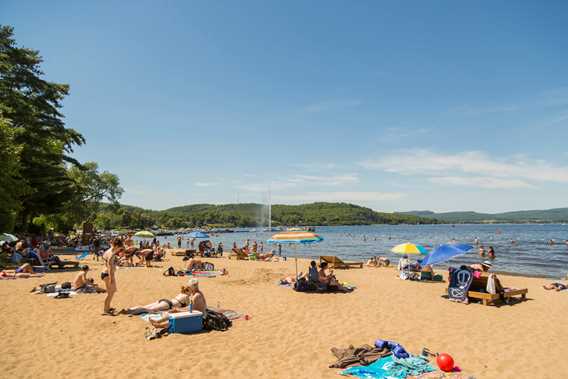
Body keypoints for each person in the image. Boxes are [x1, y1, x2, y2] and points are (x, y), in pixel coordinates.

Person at [120, 285, 192, 315]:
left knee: (145, 307)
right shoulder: (186, 297)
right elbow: (189, 307)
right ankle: (129, 311)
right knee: (147, 309)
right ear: (187, 291)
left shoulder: (181, 294)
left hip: (165, 301)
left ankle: (129, 309)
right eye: (190, 291)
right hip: (168, 304)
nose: (191, 293)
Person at [101, 238, 124, 316]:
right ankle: (105, 310)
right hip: (108, 275)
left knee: (111, 292)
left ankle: (107, 307)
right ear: (117, 246)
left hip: (105, 273)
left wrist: (116, 262)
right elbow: (110, 268)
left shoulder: (108, 251)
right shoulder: (111, 254)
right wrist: (112, 279)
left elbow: (105, 260)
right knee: (110, 293)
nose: (120, 250)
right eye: (120, 248)